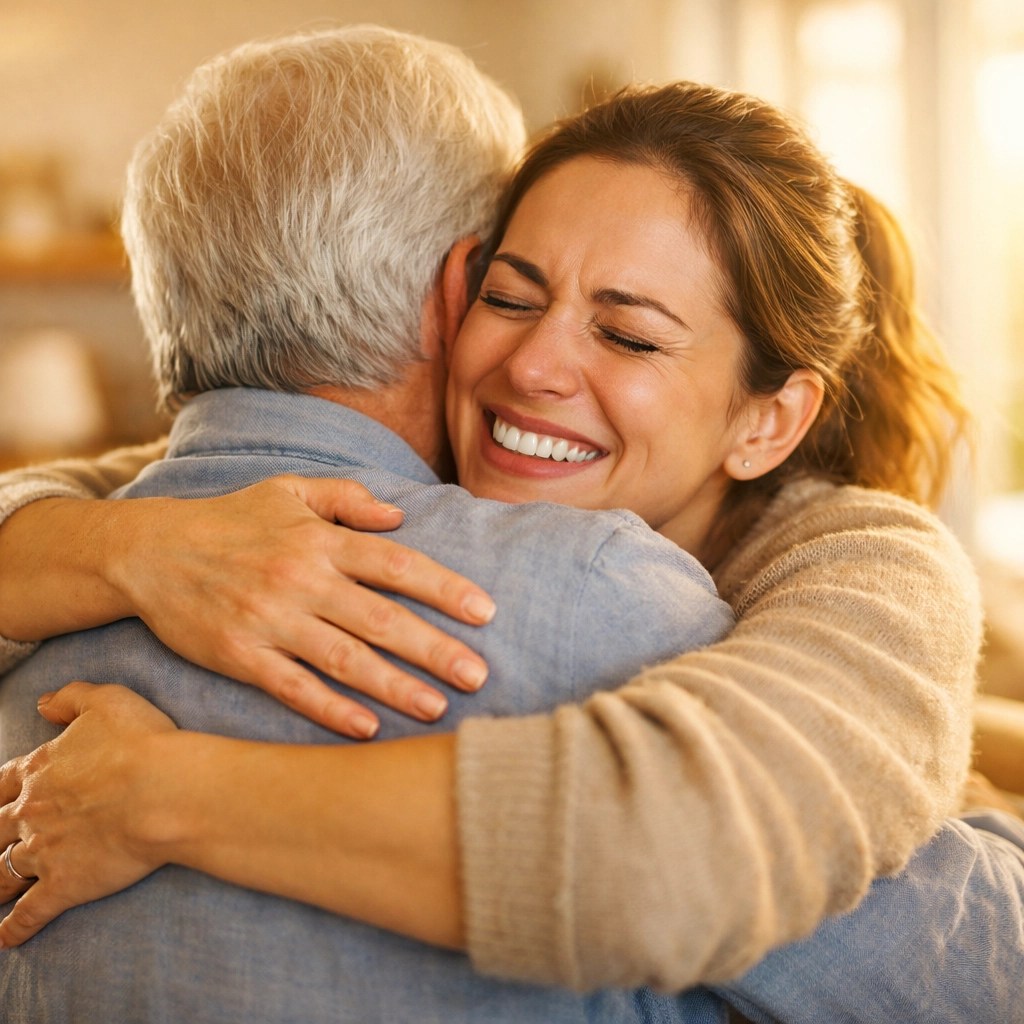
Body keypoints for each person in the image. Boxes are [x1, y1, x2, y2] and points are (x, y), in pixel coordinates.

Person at [2, 62, 1022, 1021]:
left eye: (626, 335)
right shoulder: (374, 498)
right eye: (510, 295)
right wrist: (131, 543)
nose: (533, 364)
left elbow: (706, 864)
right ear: (450, 301)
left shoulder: (860, 564)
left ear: (768, 422)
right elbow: (141, 474)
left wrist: (163, 794)